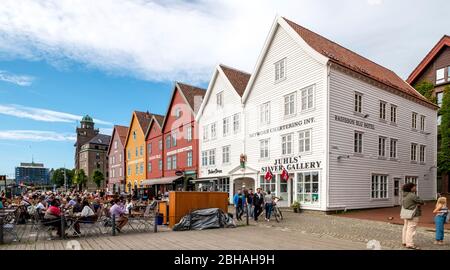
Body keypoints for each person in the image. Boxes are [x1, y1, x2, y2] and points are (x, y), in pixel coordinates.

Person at [401, 183, 424, 249]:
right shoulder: (412, 195)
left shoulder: (404, 195)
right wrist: (418, 204)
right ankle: (410, 244)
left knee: (405, 227)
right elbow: (421, 201)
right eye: (414, 187)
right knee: (411, 228)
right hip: (413, 214)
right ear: (411, 188)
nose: (415, 188)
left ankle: (404, 241)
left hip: (406, 213)